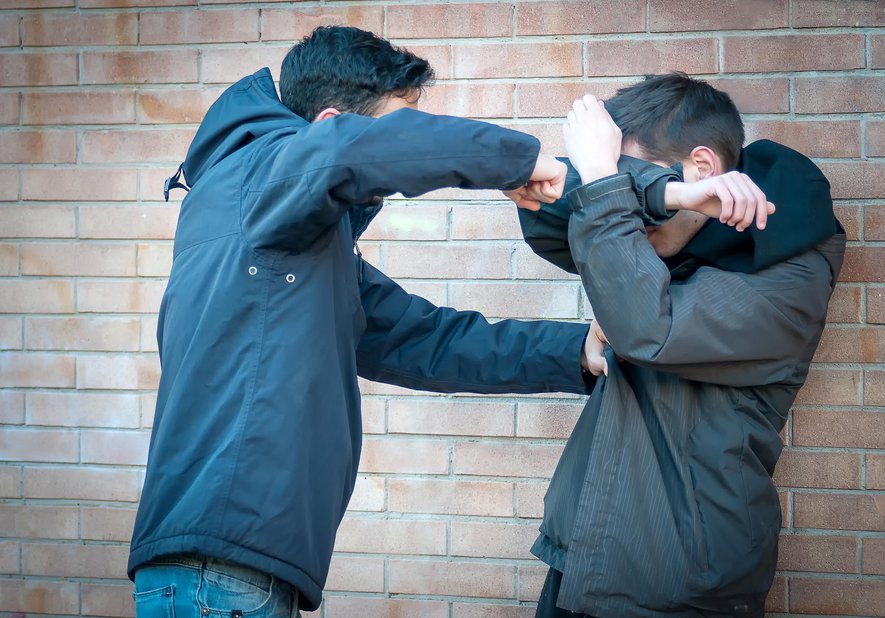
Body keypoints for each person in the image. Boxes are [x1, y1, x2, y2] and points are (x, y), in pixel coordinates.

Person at [128, 25, 604, 617]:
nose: (405, 146)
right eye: (394, 129)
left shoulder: (293, 244)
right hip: (218, 574)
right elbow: (345, 152)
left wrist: (577, 349)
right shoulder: (258, 174)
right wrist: (519, 161)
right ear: (330, 123)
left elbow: (429, 340)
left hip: (231, 571)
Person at [517, 76, 845, 617]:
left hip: (679, 579)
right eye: (627, 185)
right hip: (583, 554)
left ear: (704, 167)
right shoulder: (653, 238)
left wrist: (605, 180)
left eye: (632, 180)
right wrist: (649, 189)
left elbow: (649, 328)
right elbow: (545, 216)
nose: (623, 203)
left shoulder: (788, 277)